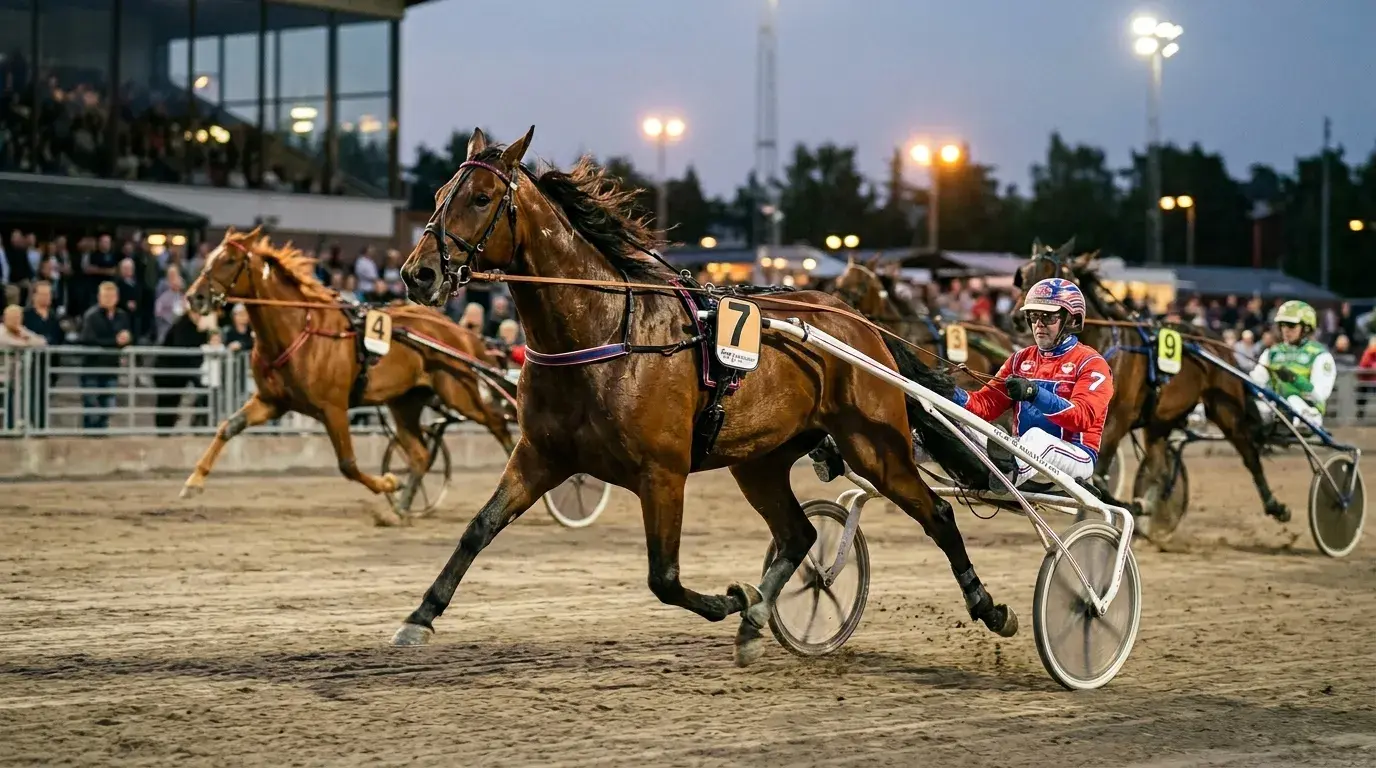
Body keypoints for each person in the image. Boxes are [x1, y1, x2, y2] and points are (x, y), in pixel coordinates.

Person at [949, 277, 1114, 492]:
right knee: (960, 425)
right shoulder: (1019, 359)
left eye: (1048, 317)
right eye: (1034, 316)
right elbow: (984, 405)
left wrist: (1035, 393)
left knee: (1035, 438)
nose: (1039, 324)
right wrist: (948, 392)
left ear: (1072, 320)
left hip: (1076, 455)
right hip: (1022, 450)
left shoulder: (1092, 363)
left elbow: (1082, 418)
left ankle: (1006, 476)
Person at [1248, 300, 1335, 430]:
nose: (1285, 330)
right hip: (1276, 406)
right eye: (1282, 325)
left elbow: (1319, 395)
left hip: (1307, 409)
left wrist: (1294, 379)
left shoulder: (1320, 355)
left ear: (1305, 328)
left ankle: (1299, 422)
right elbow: (1257, 380)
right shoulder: (1271, 353)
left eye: (1291, 325)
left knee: (1292, 398)